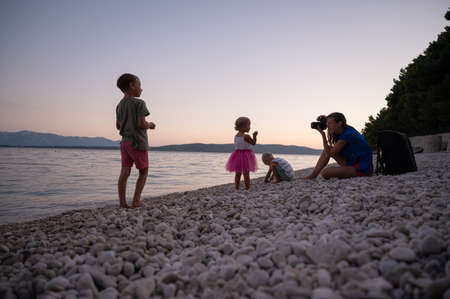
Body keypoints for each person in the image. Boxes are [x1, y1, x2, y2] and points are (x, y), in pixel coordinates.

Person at [116, 73, 156, 208]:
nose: (141, 89)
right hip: (137, 142)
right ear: (132, 86)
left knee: (125, 172)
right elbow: (141, 124)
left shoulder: (119, 105)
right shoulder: (139, 103)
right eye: (139, 85)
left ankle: (122, 203)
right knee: (144, 171)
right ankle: (136, 201)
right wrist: (150, 125)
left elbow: (118, 126)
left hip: (124, 143)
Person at [305, 112, 373, 179]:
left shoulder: (347, 135)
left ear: (339, 123)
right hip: (351, 161)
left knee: (325, 173)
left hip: (361, 167)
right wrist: (324, 119)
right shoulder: (345, 129)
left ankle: (314, 175)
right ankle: (313, 175)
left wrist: (323, 135)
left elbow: (328, 154)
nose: (328, 126)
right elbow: (328, 152)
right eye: (327, 123)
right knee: (328, 148)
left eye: (330, 123)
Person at [226, 117, 258, 190]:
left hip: (237, 155)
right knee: (246, 173)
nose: (249, 127)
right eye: (248, 125)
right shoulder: (246, 136)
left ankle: (237, 188)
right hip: (246, 155)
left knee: (238, 173)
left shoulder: (236, 136)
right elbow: (253, 143)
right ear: (242, 127)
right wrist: (255, 136)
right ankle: (247, 188)